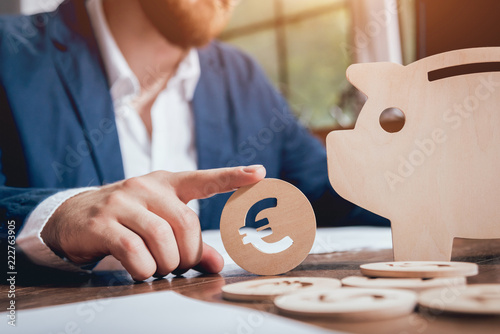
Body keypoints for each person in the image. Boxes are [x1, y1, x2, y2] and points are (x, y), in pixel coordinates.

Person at [0, 0, 387, 281]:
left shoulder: (241, 75)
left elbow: (329, 191)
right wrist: (56, 218)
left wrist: (427, 180)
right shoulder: (9, 53)